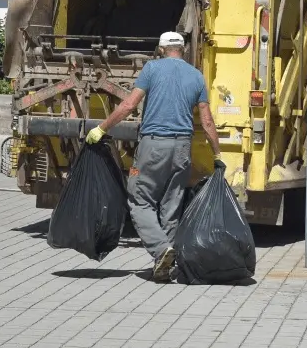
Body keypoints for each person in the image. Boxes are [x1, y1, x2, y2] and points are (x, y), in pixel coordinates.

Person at [85, 31, 223, 282]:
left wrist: (101, 128)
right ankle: (165, 267)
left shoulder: (152, 69)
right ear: (183, 49)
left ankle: (161, 251)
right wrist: (217, 154)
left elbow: (129, 105)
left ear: (161, 49)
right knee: (171, 206)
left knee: (140, 200)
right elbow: (207, 122)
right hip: (182, 148)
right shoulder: (196, 76)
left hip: (154, 146)